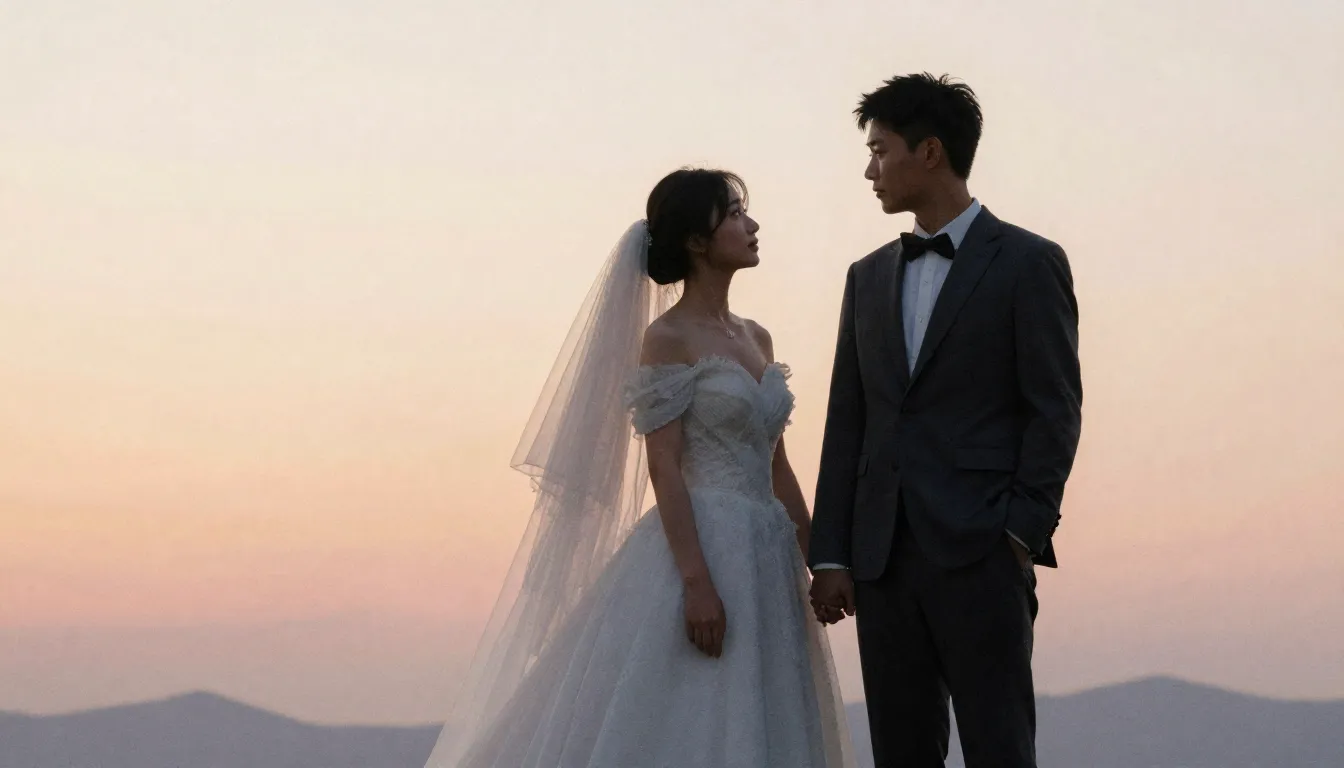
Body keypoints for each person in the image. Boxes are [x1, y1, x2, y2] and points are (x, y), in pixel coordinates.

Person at [424, 168, 855, 767]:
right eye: (735, 215)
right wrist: (697, 583)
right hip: (705, 546)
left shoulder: (758, 338)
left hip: (767, 554)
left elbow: (776, 465)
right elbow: (665, 467)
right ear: (697, 241)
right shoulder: (668, 337)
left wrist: (819, 561)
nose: (752, 225)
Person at [808, 73, 1084, 768]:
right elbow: (848, 420)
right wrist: (833, 553)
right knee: (901, 753)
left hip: (984, 551)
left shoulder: (1029, 262)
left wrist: (1019, 533)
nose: (869, 170)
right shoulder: (866, 276)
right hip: (882, 560)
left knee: (1000, 748)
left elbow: (1054, 409)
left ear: (929, 152)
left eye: (880, 150)